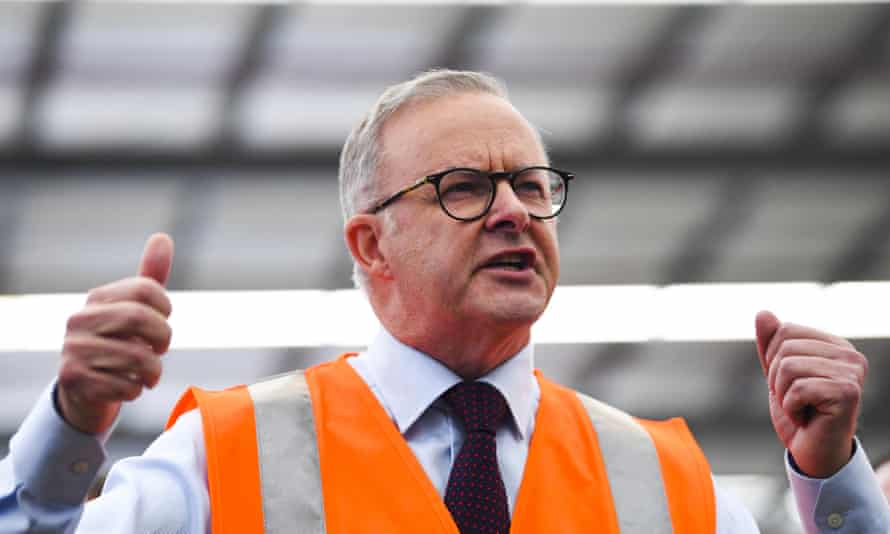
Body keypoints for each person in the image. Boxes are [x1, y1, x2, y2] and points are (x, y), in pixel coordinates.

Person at [1, 69, 888, 533]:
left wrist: (831, 478)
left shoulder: (667, 484)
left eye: (532, 185)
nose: (512, 210)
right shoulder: (226, 457)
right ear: (370, 243)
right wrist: (73, 425)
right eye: (464, 187)